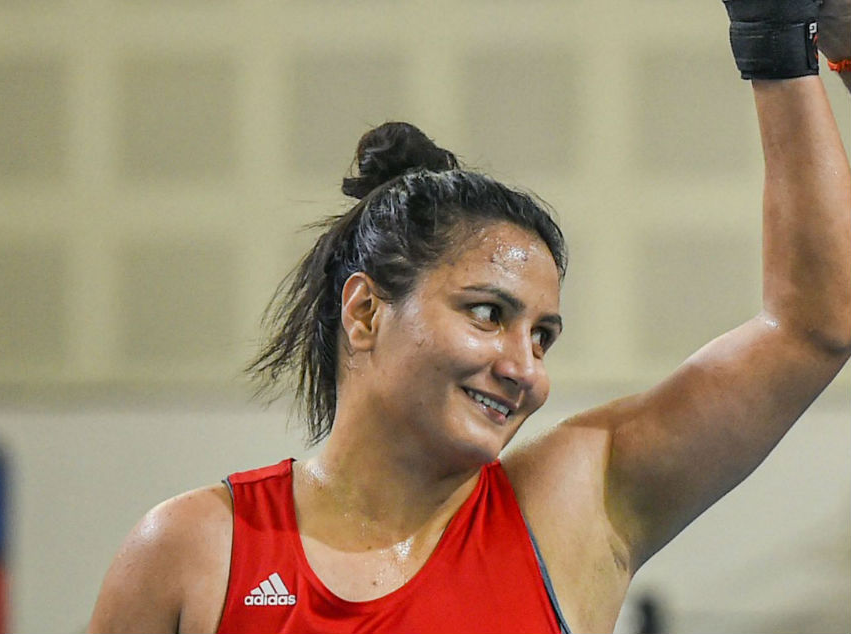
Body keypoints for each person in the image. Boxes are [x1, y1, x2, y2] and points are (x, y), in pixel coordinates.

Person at [88, 1, 851, 632]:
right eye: (488, 314)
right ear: (365, 312)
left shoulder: (573, 513)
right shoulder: (194, 552)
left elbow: (814, 326)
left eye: (543, 337)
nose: (525, 370)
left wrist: (777, 43)